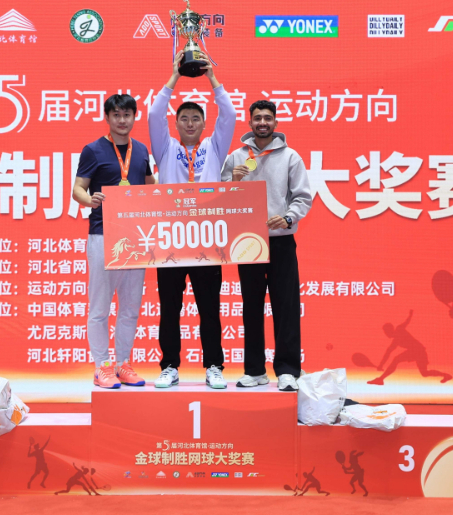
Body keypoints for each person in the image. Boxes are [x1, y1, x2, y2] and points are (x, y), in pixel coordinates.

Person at [148, 50, 235, 389]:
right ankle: (169, 366)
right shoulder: (165, 149)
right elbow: (154, 114)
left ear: (203, 124)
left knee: (209, 308)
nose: (188, 123)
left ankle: (214, 365)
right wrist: (174, 77)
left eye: (195, 119)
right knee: (170, 308)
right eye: (183, 118)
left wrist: (212, 78)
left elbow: (229, 114)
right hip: (170, 239)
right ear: (176, 124)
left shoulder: (214, 147)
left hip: (207, 240)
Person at [221, 100, 312, 391]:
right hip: (248, 242)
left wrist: (288, 217)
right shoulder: (236, 157)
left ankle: (287, 370)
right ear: (249, 123)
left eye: (267, 118)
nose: (263, 122)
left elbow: (303, 196)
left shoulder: (291, 156)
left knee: (286, 306)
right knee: (251, 306)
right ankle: (254, 370)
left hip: (281, 241)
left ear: (275, 123)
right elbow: (220, 198)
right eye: (258, 118)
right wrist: (233, 181)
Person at [73, 94, 155, 389]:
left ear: (134, 117)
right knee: (99, 308)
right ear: (107, 118)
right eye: (116, 115)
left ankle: (123, 364)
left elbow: (151, 187)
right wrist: (90, 200)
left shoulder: (141, 150)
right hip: (103, 235)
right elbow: (78, 189)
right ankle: (102, 367)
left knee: (130, 307)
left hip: (135, 237)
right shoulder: (93, 150)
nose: (122, 120)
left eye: (127, 115)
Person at [367, 310, 452, 385]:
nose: (385, 334)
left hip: (418, 350)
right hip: (417, 351)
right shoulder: (395, 341)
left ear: (390, 330)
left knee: (397, 360)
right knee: (424, 373)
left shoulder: (399, 330)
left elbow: (406, 322)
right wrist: (381, 365)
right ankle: (446, 375)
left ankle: (380, 379)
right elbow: (387, 353)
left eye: (386, 332)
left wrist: (410, 315)